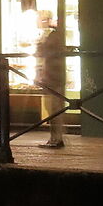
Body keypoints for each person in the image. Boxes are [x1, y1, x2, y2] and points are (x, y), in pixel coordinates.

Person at [34, 9, 68, 150]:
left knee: (54, 107)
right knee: (54, 107)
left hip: (54, 75)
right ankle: (56, 137)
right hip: (53, 75)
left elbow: (43, 53)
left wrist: (40, 47)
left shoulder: (53, 36)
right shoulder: (54, 35)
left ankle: (57, 138)